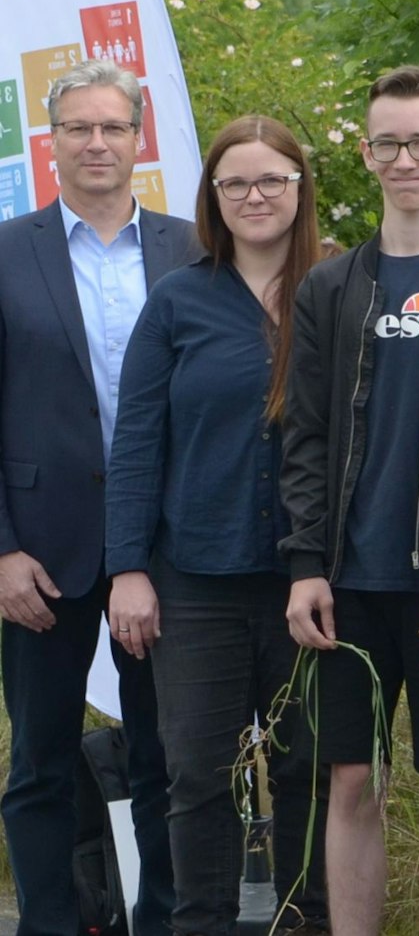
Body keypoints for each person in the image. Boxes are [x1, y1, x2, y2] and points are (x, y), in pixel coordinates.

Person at [280, 64, 419, 936]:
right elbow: (305, 438)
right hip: (349, 583)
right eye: (387, 142)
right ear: (366, 154)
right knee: (350, 780)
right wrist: (304, 566)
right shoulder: (331, 288)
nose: (404, 158)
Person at [104, 115, 331, 936]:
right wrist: (127, 567)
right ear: (212, 197)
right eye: (235, 182)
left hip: (309, 582)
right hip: (193, 580)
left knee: (309, 770)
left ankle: (309, 923)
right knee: (196, 776)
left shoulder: (339, 288)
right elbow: (137, 442)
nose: (254, 196)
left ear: (301, 189)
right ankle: (199, 925)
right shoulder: (178, 300)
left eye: (272, 179)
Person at [0, 59, 191, 936]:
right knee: (39, 764)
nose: (97, 143)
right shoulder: (7, 251)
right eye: (78, 127)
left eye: (113, 126)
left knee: (167, 760)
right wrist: (1, 550)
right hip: (41, 554)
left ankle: (161, 920)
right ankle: (46, 924)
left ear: (139, 135)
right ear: (51, 142)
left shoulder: (191, 249)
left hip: (170, 550)